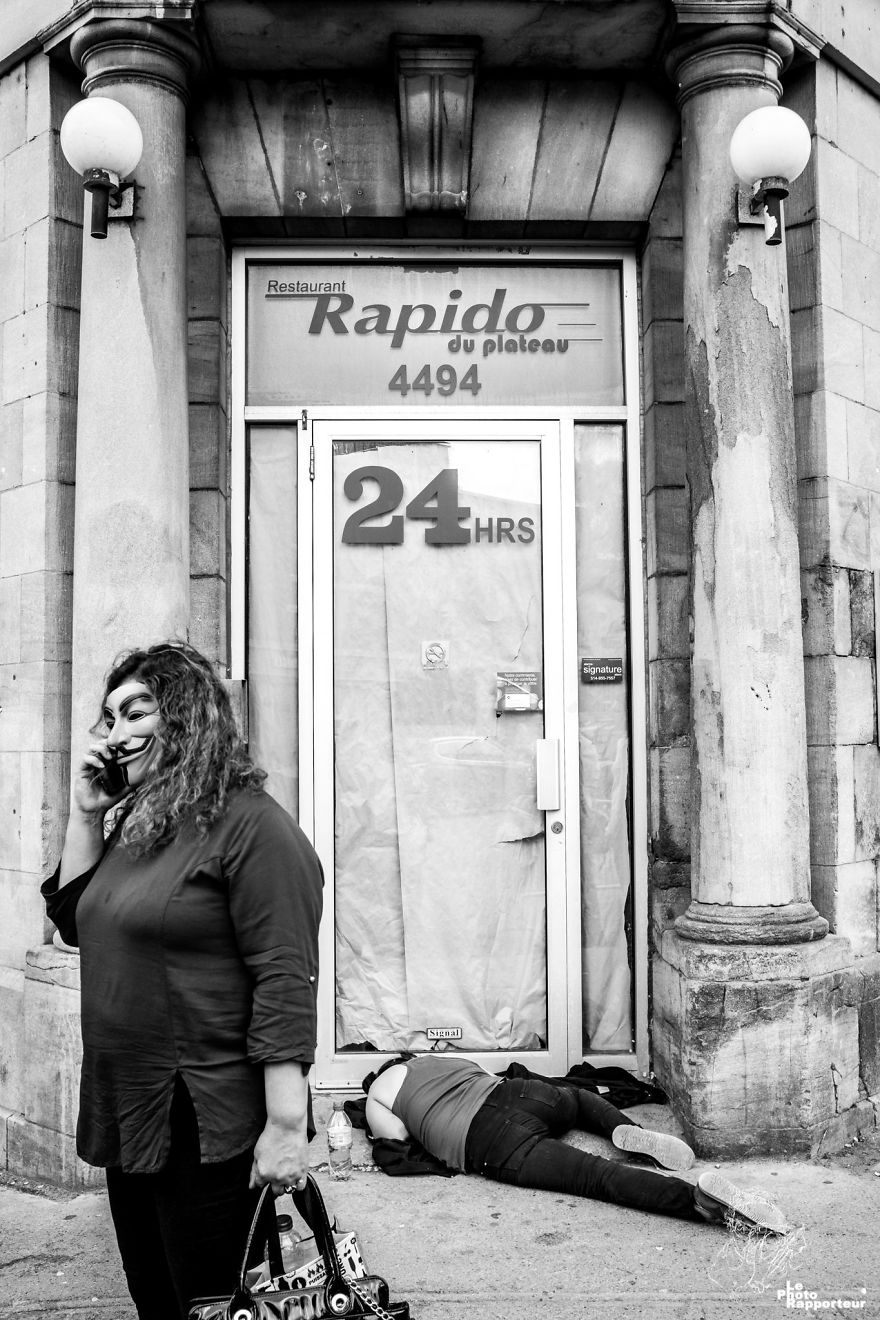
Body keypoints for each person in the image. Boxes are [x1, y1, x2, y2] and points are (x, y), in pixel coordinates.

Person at [42, 642, 324, 1320]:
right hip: (130, 1106)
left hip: (202, 1115)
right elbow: (76, 920)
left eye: (135, 712)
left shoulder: (253, 826)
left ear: (186, 715)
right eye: (109, 719)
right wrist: (87, 814)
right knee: (159, 1301)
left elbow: (284, 978)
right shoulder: (145, 824)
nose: (116, 733)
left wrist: (287, 1124)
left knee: (214, 1304)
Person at [365, 1055, 790, 1233]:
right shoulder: (434, 1059)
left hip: (484, 1140)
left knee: (596, 1177)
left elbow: (395, 1142)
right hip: (510, 1093)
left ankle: (703, 1202)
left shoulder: (379, 1090)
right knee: (576, 1099)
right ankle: (622, 1130)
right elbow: (481, 1073)